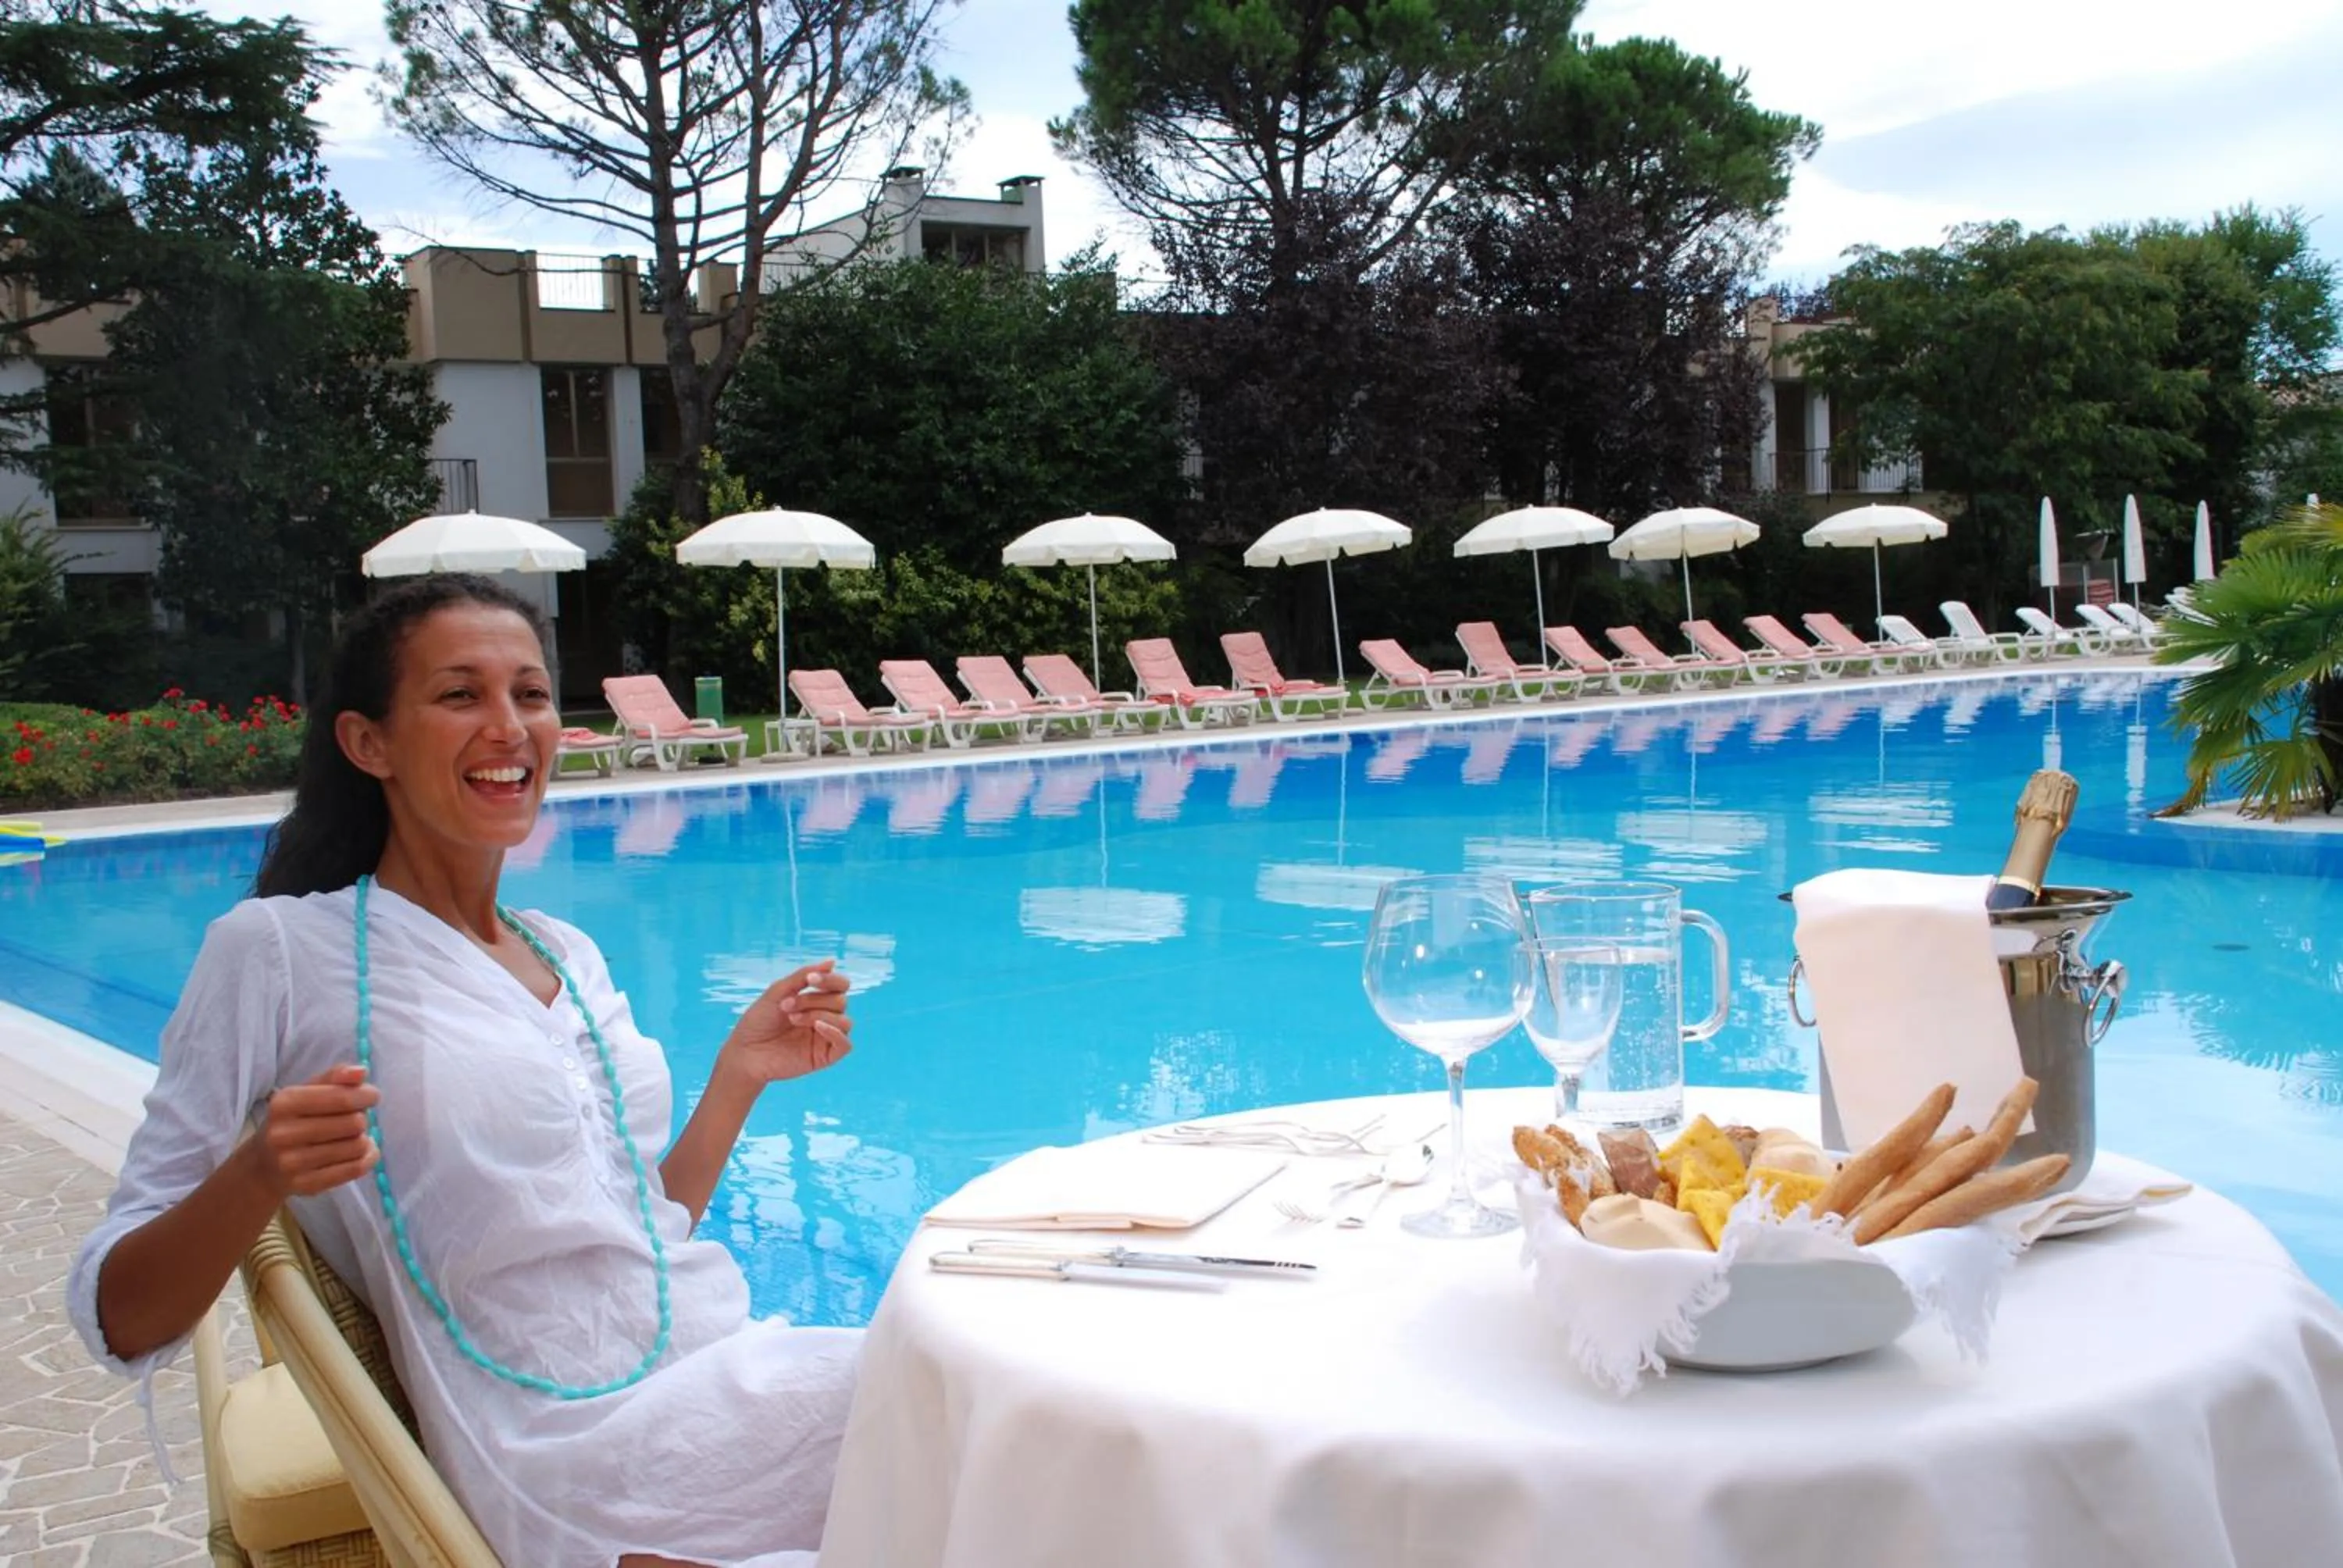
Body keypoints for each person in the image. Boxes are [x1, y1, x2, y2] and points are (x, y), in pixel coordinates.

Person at [69, 574, 861, 1568]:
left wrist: (736, 1079)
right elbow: (119, 1313)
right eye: (460, 696)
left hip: (725, 1368)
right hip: (579, 1458)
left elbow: (629, 1237)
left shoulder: (566, 951)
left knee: (1008, 1408)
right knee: (1003, 1430)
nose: (509, 726)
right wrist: (258, 1172)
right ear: (369, 744)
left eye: (530, 695)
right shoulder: (279, 951)